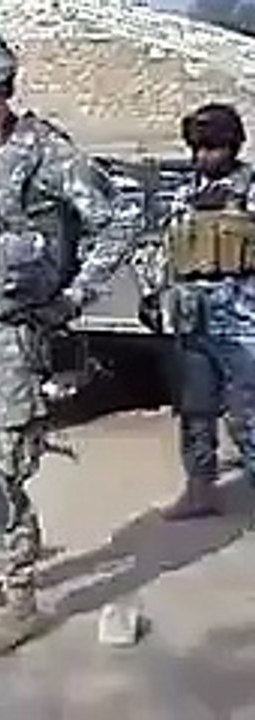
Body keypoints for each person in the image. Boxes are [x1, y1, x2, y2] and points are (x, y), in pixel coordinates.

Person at [0, 34, 134, 658]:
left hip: (9, 339)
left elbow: (120, 221)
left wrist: (71, 299)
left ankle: (20, 599)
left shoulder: (47, 154)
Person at [135, 102, 255, 521]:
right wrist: (153, 295)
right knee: (195, 408)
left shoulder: (251, 188)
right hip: (191, 313)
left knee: (247, 410)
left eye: (214, 147)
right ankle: (199, 489)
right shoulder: (184, 192)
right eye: (199, 147)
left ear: (233, 145)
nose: (205, 156)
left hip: (241, 315)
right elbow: (164, 247)